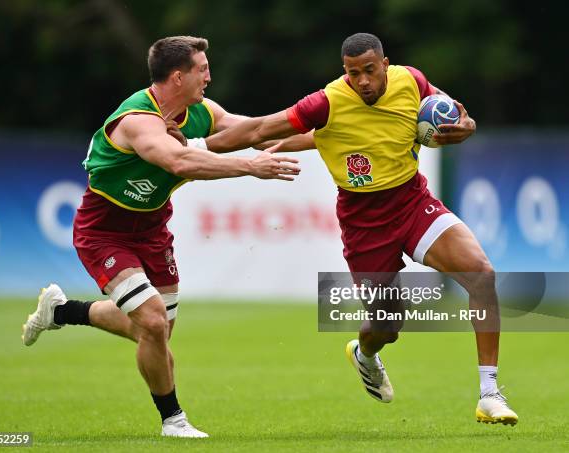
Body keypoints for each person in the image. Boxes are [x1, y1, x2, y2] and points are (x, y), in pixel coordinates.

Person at [201, 33, 518, 425]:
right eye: (354, 73)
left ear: (385, 64)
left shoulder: (412, 81)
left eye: (370, 70)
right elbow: (260, 129)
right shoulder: (328, 101)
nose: (363, 81)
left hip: (412, 202)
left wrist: (465, 125)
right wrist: (198, 143)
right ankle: (365, 354)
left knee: (482, 275)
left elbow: (456, 114)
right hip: (364, 222)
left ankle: (489, 394)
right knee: (386, 326)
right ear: (344, 72)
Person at [21, 36, 300, 439]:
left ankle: (63, 312)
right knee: (151, 321)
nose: (209, 76)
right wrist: (248, 167)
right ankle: (174, 420)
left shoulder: (200, 112)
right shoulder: (137, 119)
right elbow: (177, 159)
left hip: (152, 229)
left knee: (152, 331)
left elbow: (255, 129)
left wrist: (319, 121)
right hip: (105, 231)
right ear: (177, 76)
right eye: (201, 69)